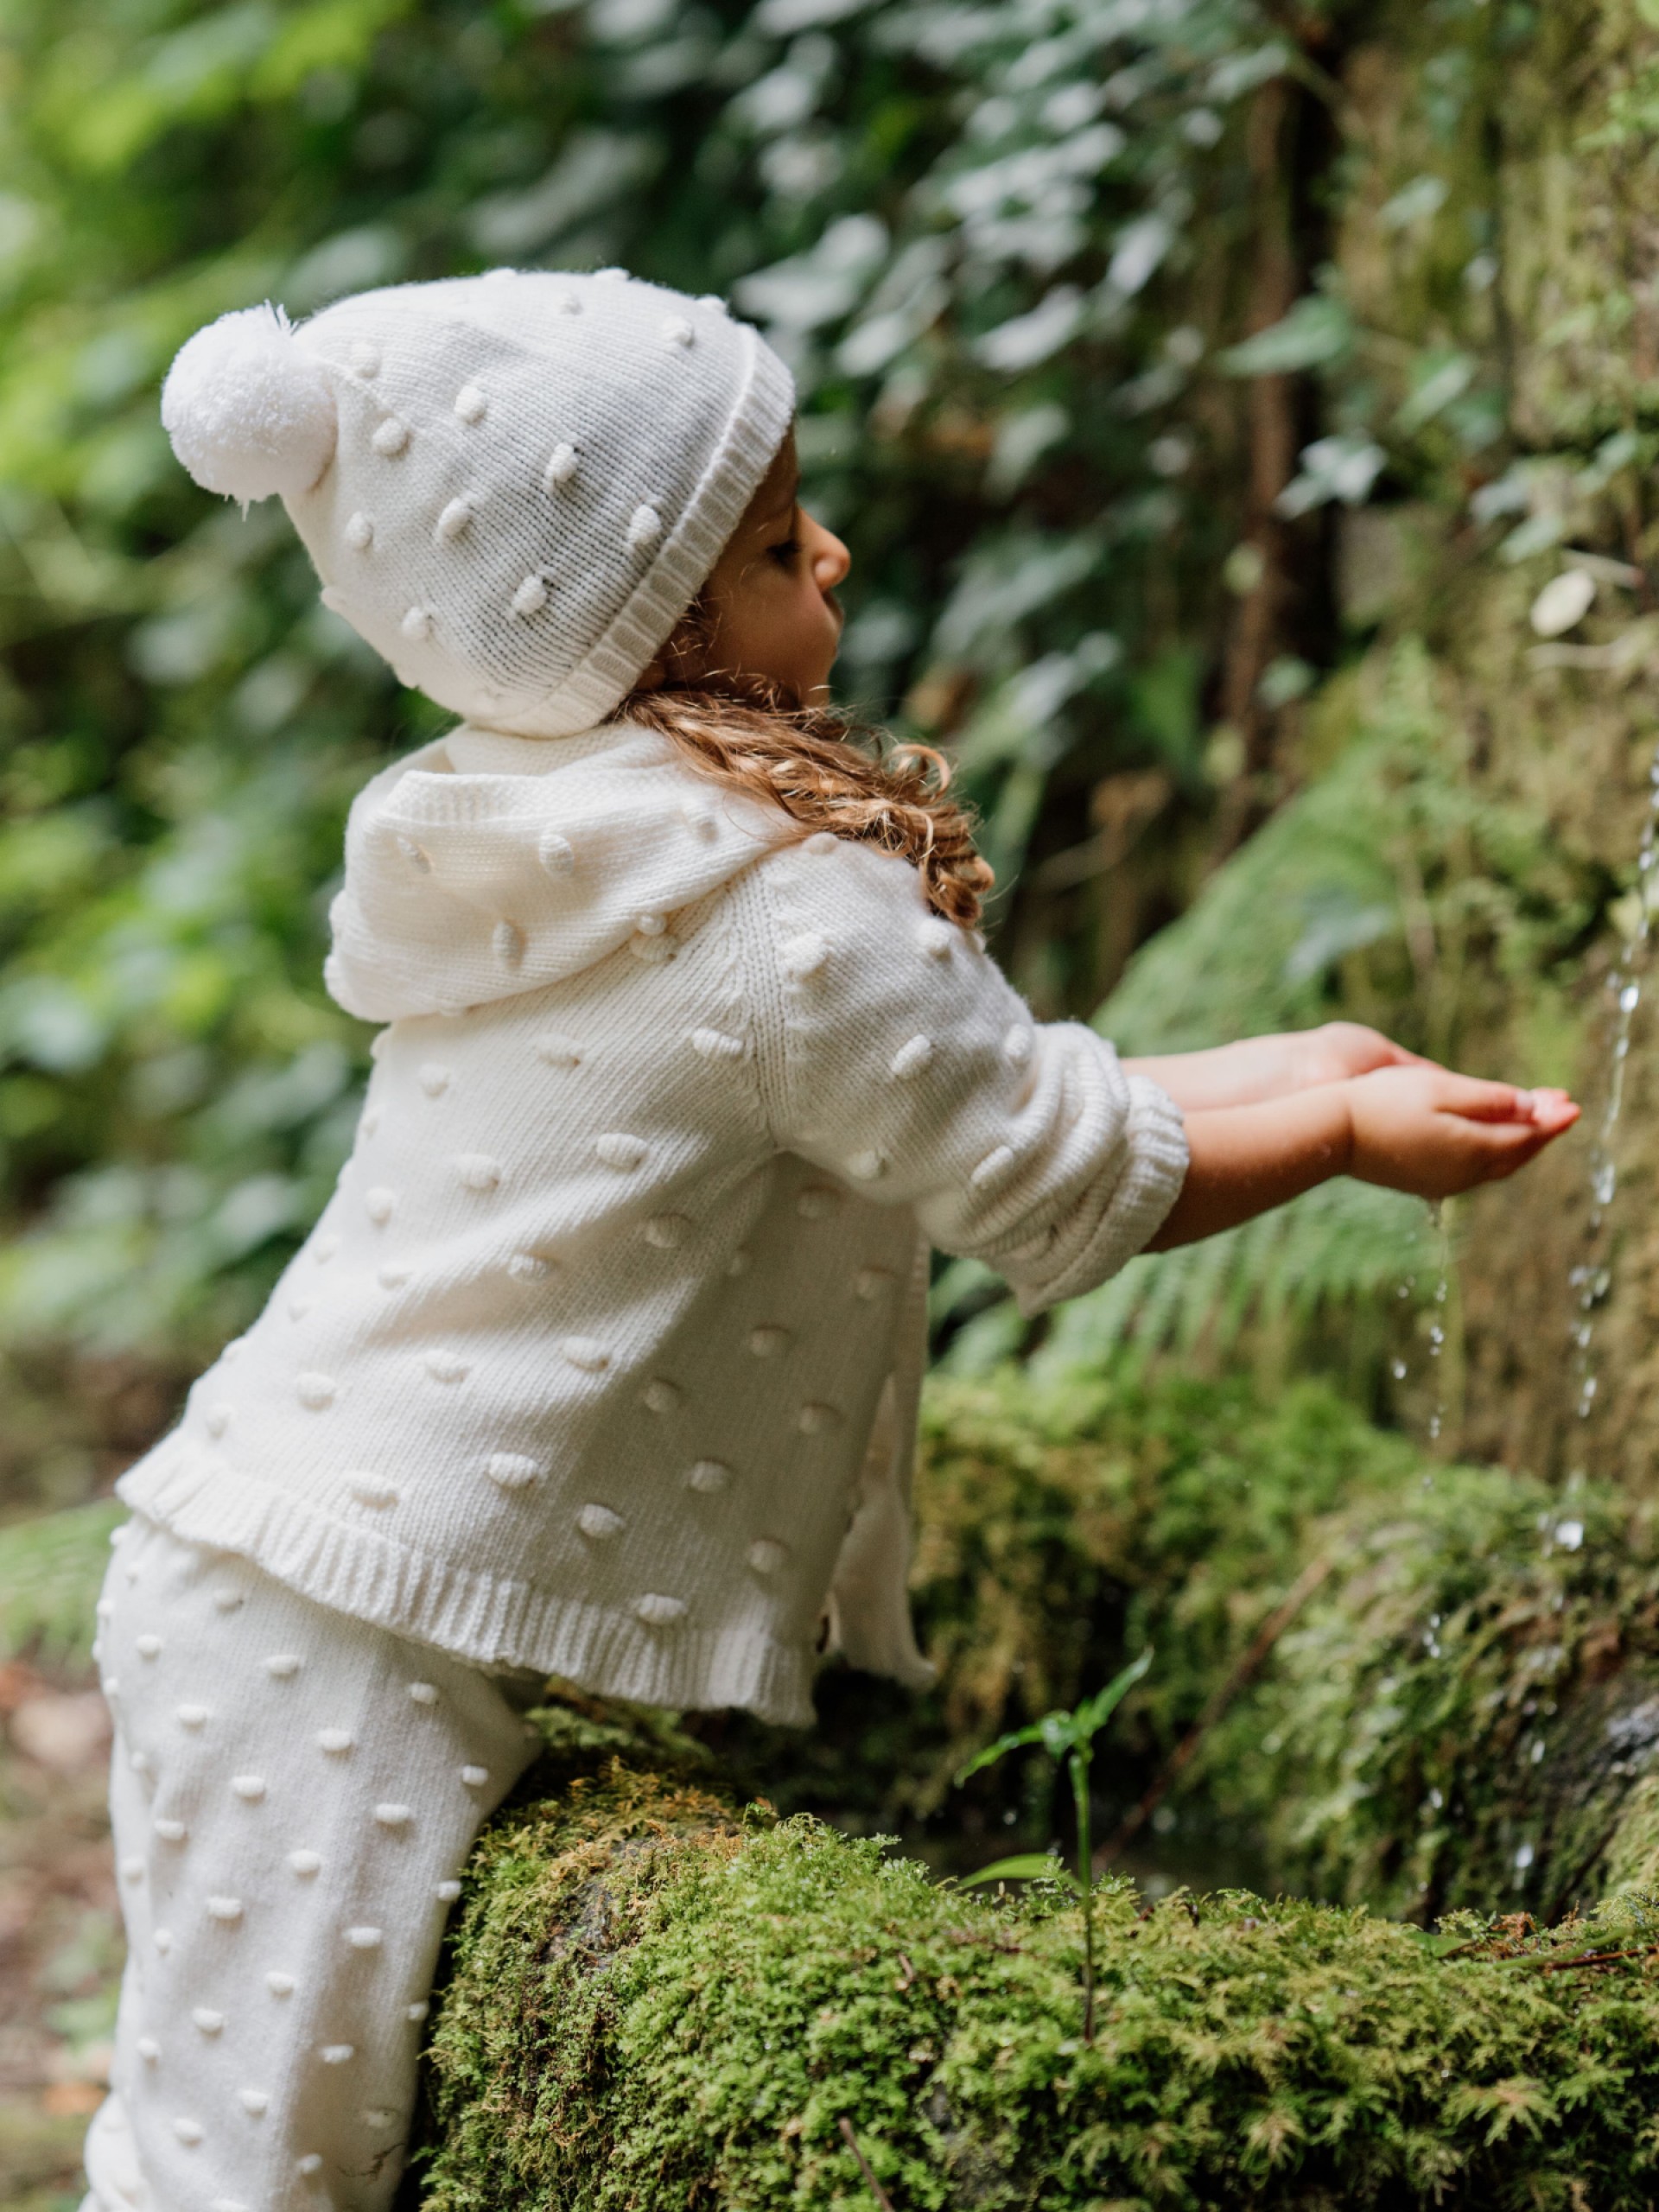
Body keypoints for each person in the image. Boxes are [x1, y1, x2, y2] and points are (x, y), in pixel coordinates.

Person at [81, 268, 1578, 2212]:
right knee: (246, 2182)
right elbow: (1040, 1174)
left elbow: (1003, 1091)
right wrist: (1345, 1135)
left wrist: (1299, 1062)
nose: (840, 551)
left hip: (282, 1565)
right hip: (345, 1636)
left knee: (207, 2148)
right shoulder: (784, 909)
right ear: (647, 627)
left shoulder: (577, 822)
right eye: (786, 541)